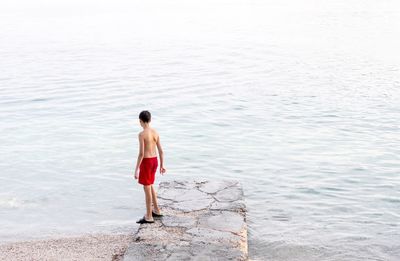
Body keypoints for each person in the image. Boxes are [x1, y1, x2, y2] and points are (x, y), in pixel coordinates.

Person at [134, 110, 166, 224]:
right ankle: (156, 210)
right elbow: (161, 151)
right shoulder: (155, 132)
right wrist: (162, 165)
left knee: (146, 189)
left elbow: (141, 154)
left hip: (147, 162)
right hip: (155, 161)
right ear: (150, 120)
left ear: (140, 121)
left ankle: (148, 216)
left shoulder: (141, 134)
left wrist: (136, 169)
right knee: (151, 185)